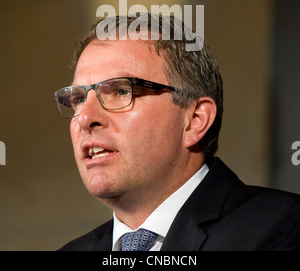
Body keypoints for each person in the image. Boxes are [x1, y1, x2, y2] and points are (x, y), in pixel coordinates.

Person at [55, 13, 300, 251]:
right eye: (77, 99)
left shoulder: (282, 228)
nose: (85, 118)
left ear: (195, 120)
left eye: (121, 91)